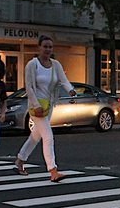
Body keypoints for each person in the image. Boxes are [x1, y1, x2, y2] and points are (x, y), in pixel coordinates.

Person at [14, 35, 76, 182]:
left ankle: (20, 160)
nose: (48, 49)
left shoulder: (55, 65)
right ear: (39, 47)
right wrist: (36, 105)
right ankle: (53, 170)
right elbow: (28, 87)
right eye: (45, 46)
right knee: (48, 137)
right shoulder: (32, 64)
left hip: (48, 105)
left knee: (35, 136)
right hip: (36, 107)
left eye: (50, 47)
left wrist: (71, 90)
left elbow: (63, 80)